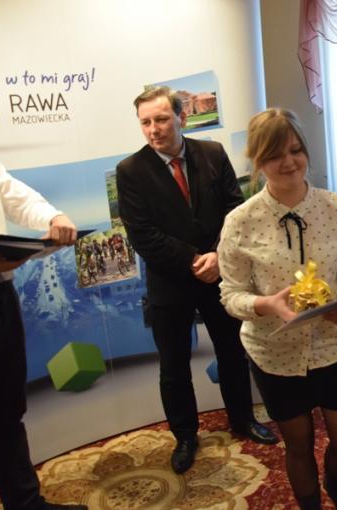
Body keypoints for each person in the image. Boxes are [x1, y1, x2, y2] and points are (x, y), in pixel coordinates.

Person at [115, 87, 277, 475]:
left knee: (232, 352)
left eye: (161, 119)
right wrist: (193, 259)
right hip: (170, 284)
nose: (154, 129)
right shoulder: (130, 171)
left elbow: (234, 211)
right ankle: (186, 436)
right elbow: (142, 234)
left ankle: (243, 420)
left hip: (219, 276)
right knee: (174, 367)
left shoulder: (213, 153)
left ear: (181, 118)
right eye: (145, 122)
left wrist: (219, 256)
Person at [217, 109, 337, 510]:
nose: (288, 162)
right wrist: (264, 304)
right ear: (258, 161)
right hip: (274, 354)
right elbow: (230, 295)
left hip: (333, 347)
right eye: (274, 155)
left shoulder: (336, 210)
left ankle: (336, 484)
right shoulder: (239, 222)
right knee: (298, 444)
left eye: (296, 150)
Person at [0, 157, 86, 509]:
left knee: (7, 409)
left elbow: (12, 194)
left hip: (0, 295)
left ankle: (26, 504)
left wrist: (53, 217)